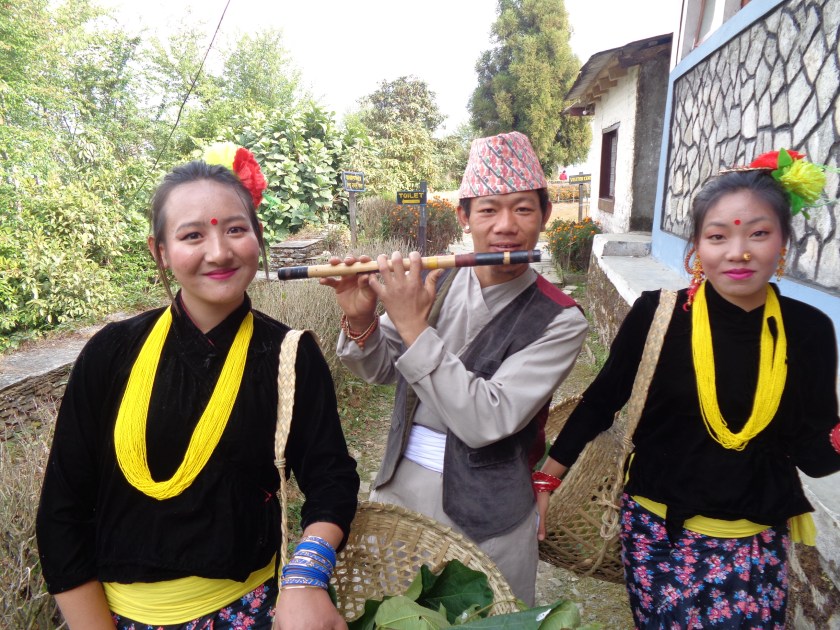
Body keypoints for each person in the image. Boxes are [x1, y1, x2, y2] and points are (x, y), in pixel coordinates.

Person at [36, 143, 359, 630]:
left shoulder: (289, 355)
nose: (219, 252)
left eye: (236, 229)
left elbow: (331, 479)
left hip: (253, 610)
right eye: (192, 235)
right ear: (160, 252)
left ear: (258, 236)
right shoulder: (111, 352)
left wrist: (307, 576)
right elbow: (63, 512)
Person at [537, 150, 840, 628]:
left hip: (756, 541)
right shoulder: (657, 316)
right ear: (696, 246)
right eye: (718, 236)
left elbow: (815, 455)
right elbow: (600, 401)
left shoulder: (808, 331)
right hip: (658, 535)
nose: (738, 252)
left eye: (758, 233)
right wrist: (547, 479)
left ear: (783, 241)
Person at [320, 131, 589, 605]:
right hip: (401, 497)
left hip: (490, 515)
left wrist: (412, 324)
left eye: (523, 209)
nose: (506, 225)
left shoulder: (561, 319)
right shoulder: (437, 280)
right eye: (488, 210)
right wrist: (361, 318)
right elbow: (382, 369)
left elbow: (487, 419)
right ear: (465, 217)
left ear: (545, 215)